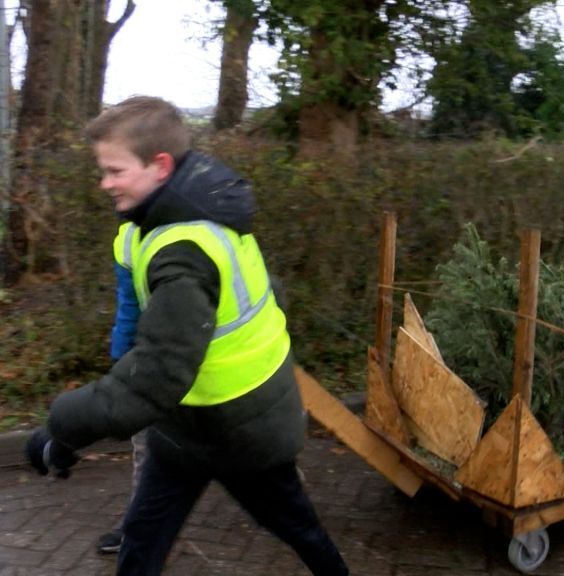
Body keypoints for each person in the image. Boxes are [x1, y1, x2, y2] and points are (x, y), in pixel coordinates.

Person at [25, 96, 350, 576]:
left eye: (115, 171)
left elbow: (156, 376)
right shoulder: (179, 216)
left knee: (294, 526)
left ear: (159, 166)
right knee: (143, 536)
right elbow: (269, 296)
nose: (104, 183)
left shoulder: (185, 250)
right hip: (187, 426)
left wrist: (62, 431)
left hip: (242, 429)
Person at [95, 221, 145, 554]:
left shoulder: (198, 219)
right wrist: (120, 356)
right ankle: (138, 528)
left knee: (241, 439)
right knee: (147, 446)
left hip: (214, 359)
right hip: (152, 359)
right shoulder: (127, 236)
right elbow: (129, 301)